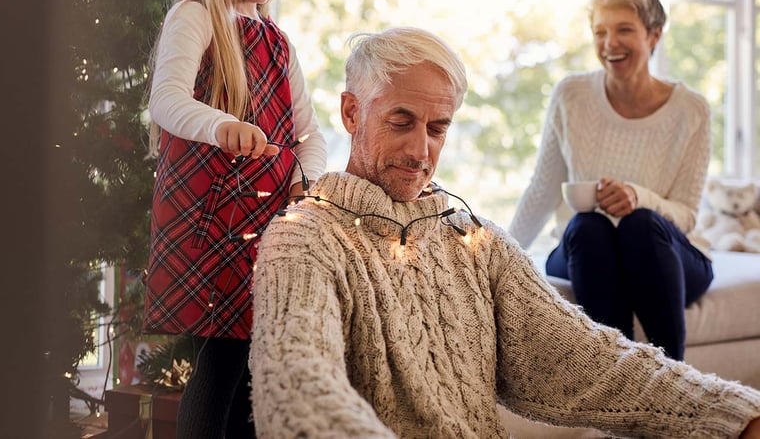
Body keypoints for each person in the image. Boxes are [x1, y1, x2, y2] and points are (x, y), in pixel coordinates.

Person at [248, 26, 760, 438]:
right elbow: (297, 388)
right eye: (401, 121)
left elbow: (592, 360)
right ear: (351, 113)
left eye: (438, 127)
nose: (420, 152)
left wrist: (734, 415)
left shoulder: (475, 241)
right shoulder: (304, 239)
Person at [141, 0, 326, 437]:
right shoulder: (196, 16)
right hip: (210, 219)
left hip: (265, 225)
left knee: (252, 365)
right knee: (224, 357)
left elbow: (309, 132)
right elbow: (166, 100)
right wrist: (221, 126)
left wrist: (303, 180)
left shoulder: (278, 40)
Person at [507, 0, 713, 362]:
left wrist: (638, 198)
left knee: (639, 224)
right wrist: (497, 258)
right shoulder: (572, 96)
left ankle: (676, 381)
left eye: (623, 30)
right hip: (587, 248)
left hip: (659, 248)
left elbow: (685, 216)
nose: (609, 44)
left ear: (654, 36)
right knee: (588, 226)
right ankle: (616, 384)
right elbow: (542, 190)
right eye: (600, 32)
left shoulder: (691, 110)